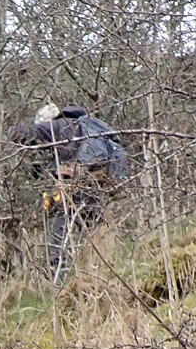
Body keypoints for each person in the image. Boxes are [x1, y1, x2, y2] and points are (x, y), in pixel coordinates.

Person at [8, 103, 131, 279]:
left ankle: (57, 278)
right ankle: (87, 274)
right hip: (95, 187)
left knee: (59, 236)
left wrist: (5, 134)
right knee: (84, 235)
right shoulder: (84, 126)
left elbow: (24, 132)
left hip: (76, 189)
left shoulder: (59, 126)